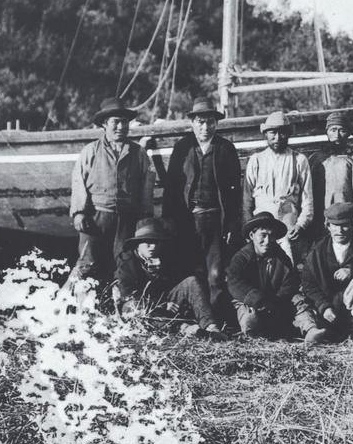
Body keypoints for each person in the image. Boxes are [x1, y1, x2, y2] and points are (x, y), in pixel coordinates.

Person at [163, 98, 242, 320]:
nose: (205, 127)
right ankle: (188, 317)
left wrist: (232, 222)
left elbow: (234, 191)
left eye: (210, 122)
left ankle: (216, 318)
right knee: (186, 269)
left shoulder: (226, 148)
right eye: (200, 122)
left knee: (215, 274)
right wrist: (168, 217)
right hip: (187, 219)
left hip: (215, 219)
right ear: (192, 124)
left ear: (216, 124)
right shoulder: (182, 148)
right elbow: (171, 186)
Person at [69, 97, 155, 283]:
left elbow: (147, 185)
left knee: (124, 264)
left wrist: (144, 217)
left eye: (124, 122)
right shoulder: (90, 151)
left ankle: (119, 307)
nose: (121, 127)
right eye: (116, 122)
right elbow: (78, 181)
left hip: (127, 219)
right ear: (104, 124)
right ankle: (67, 304)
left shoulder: (138, 153)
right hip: (96, 218)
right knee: (87, 264)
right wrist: (79, 212)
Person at [115, 217, 226, 340]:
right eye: (147, 242)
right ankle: (185, 329)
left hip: (170, 304)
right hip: (150, 310)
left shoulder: (167, 259)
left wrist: (162, 276)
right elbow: (129, 295)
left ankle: (210, 327)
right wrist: (160, 304)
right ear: (137, 244)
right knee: (131, 306)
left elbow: (180, 285)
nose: (153, 247)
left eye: (157, 242)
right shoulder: (127, 267)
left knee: (192, 282)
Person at [227, 212, 326, 342]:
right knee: (248, 314)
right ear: (252, 236)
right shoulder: (241, 259)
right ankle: (254, 335)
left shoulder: (282, 258)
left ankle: (311, 329)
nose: (267, 241)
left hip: (275, 304)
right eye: (263, 235)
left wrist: (275, 301)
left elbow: (290, 284)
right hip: (253, 302)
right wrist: (258, 300)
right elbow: (235, 283)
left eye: (272, 236)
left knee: (298, 300)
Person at [243, 110, 314, 265]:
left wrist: (300, 224)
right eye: (272, 133)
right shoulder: (256, 160)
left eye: (282, 133)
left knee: (288, 263)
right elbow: (247, 200)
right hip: (261, 223)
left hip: (288, 223)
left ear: (288, 135)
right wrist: (249, 228)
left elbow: (308, 199)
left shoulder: (299, 160)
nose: (277, 138)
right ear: (265, 134)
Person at [302, 202, 353, 339]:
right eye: (335, 226)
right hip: (329, 309)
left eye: (345, 225)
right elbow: (309, 284)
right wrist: (324, 306)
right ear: (328, 227)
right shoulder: (317, 251)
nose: (340, 231)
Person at [307, 112, 353, 241]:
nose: (337, 135)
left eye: (342, 130)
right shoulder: (317, 159)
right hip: (321, 220)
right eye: (333, 130)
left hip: (346, 220)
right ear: (327, 132)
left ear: (348, 133)